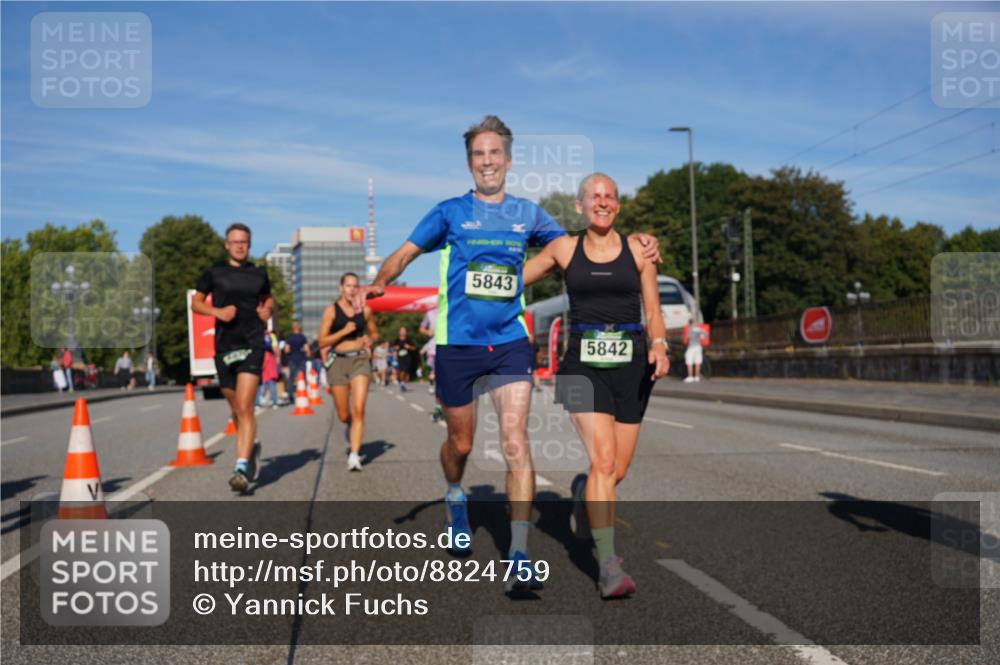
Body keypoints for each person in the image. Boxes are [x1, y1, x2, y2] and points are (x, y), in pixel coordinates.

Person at [356, 115, 660, 592]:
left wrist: (637, 241)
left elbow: (584, 246)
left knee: (516, 442)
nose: (487, 161)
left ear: (508, 160)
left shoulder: (529, 214)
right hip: (458, 344)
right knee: (460, 445)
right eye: (479, 154)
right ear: (469, 163)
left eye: (494, 153)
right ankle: (454, 493)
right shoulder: (449, 213)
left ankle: (518, 556)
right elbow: (405, 253)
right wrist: (380, 281)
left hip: (510, 344)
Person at [524, 172, 670, 598]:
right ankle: (608, 566)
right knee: (603, 462)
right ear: (580, 205)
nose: (602, 202)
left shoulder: (639, 251)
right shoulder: (563, 248)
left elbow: (653, 310)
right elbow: (515, 277)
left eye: (610, 197)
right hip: (577, 368)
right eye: (595, 196)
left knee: (615, 470)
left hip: (632, 368)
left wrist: (659, 345)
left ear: (618, 206)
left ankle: (581, 492)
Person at [192, 223, 274, 493]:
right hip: (224, 346)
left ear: (249, 244)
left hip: (252, 343)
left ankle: (240, 467)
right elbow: (196, 303)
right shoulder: (213, 272)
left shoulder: (258, 273)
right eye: (235, 242)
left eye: (244, 242)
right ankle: (250, 448)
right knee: (236, 408)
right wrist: (217, 312)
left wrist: (267, 310)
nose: (240, 246)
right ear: (227, 245)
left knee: (246, 406)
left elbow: (269, 299)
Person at [318, 272, 380, 471]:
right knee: (343, 414)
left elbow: (375, 332)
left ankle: (354, 455)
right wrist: (344, 331)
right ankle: (350, 425)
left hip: (360, 360)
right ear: (341, 288)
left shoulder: (366, 310)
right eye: (348, 286)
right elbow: (322, 341)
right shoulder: (331, 311)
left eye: (355, 286)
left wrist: (371, 339)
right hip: (338, 362)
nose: (352, 290)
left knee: (359, 409)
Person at [283, 321, 310, 398]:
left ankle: (290, 394)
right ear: (299, 328)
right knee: (303, 376)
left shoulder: (289, 338)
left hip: (292, 359)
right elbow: (306, 349)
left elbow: (286, 350)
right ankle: (305, 393)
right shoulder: (302, 337)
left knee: (291, 377)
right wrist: (307, 354)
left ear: (293, 328)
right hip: (301, 359)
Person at [257, 332, 280, 408]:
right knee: (272, 384)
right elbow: (276, 349)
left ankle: (257, 403)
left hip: (260, 360)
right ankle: (274, 402)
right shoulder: (271, 335)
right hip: (270, 362)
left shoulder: (256, 333)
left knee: (259, 384)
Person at [418, 308, 437, 393]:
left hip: (447, 346)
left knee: (442, 370)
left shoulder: (450, 308)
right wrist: (427, 332)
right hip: (433, 349)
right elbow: (421, 328)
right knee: (433, 370)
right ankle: (432, 384)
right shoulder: (430, 313)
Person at [393, 327, 416, 392]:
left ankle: (404, 383)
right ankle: (402, 383)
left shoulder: (408, 340)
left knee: (406, 371)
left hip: (408, 357)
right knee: (402, 370)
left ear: (406, 332)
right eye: (402, 331)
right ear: (399, 332)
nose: (403, 332)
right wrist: (396, 348)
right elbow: (393, 348)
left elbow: (414, 348)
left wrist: (409, 347)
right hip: (400, 357)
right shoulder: (397, 340)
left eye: (404, 331)